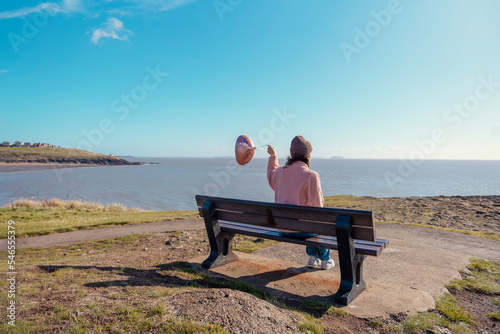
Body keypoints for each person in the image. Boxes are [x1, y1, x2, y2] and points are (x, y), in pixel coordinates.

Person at [267, 135, 335, 270]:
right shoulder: (311, 175)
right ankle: (325, 260)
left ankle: (312, 257)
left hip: (282, 228)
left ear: (291, 154)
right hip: (302, 231)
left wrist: (273, 155)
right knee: (319, 222)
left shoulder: (280, 172)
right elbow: (317, 208)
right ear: (307, 156)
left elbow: (271, 174)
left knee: (311, 222)